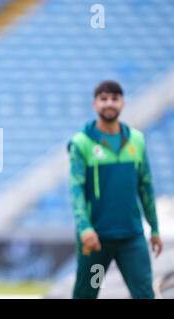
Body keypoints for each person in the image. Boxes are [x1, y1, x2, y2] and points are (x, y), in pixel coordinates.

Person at [68, 80, 163, 299]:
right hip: (97, 241)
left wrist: (155, 228)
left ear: (123, 103)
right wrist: (85, 228)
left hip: (131, 238)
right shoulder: (82, 143)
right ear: (95, 104)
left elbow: (146, 186)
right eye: (104, 99)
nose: (109, 103)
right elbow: (76, 190)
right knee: (88, 293)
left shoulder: (136, 140)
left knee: (144, 294)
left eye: (114, 98)